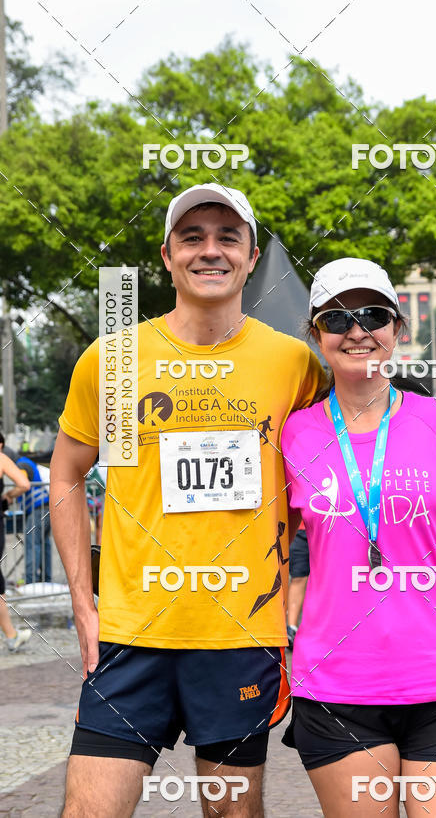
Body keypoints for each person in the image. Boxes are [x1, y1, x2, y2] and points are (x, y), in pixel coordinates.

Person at [50, 184, 325, 818]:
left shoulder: (292, 364)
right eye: (192, 238)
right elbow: (65, 471)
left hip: (238, 636)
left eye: (228, 238)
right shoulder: (115, 360)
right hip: (129, 635)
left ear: (252, 257)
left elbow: (325, 481)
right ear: (167, 256)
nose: (211, 251)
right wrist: (81, 601)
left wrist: (306, 588)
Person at [280, 258, 436, 817]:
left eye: (373, 315)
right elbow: (268, 548)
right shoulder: (293, 432)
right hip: (336, 688)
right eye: (337, 319)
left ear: (399, 329)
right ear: (316, 335)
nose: (357, 330)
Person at [0, 431, 32, 651]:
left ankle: (11, 635)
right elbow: (24, 484)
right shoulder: (1, 458)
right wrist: (9, 496)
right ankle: (11, 636)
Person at [17, 455, 52, 584]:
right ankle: (46, 578)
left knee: (32, 543)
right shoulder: (26, 462)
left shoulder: (20, 465)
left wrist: (8, 496)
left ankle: (30, 580)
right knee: (44, 543)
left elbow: (22, 485)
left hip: (38, 508)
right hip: (46, 507)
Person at [286, 519, 309, 648]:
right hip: (299, 528)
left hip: (329, 526)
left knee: (329, 578)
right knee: (298, 577)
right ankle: (291, 629)